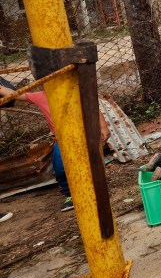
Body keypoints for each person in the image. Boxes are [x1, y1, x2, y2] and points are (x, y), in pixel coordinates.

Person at [0, 83, 110, 211]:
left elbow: (93, 108)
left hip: (84, 136)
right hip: (61, 140)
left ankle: (95, 189)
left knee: (91, 163)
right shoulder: (41, 96)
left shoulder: (75, 92)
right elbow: (18, 94)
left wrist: (103, 126)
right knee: (60, 168)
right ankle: (70, 195)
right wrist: (1, 89)